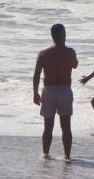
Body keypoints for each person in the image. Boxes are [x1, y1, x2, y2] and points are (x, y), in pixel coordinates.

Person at [33, 23, 80, 159]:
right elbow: (75, 65)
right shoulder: (70, 52)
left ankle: (45, 154)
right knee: (66, 127)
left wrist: (35, 93)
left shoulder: (43, 54)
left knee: (48, 126)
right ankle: (67, 156)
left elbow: (36, 75)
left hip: (49, 91)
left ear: (52, 37)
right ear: (64, 35)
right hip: (65, 90)